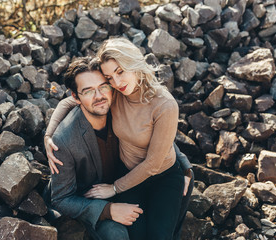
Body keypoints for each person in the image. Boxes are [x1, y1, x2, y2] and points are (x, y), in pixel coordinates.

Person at [45, 38, 193, 240]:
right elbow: (69, 101)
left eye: (119, 72)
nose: (115, 82)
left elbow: (152, 147)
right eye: (109, 78)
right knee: (129, 235)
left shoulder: (145, 99)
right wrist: (48, 136)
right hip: (115, 184)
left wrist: (184, 165)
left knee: (161, 233)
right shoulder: (112, 94)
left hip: (154, 176)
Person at [47, 57, 143, 240]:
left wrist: (182, 165)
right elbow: (60, 199)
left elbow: (156, 128)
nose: (99, 96)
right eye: (88, 91)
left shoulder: (122, 106)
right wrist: (108, 210)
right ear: (75, 97)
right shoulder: (63, 140)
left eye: (103, 86)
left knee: (180, 183)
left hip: (126, 185)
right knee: (116, 235)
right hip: (89, 201)